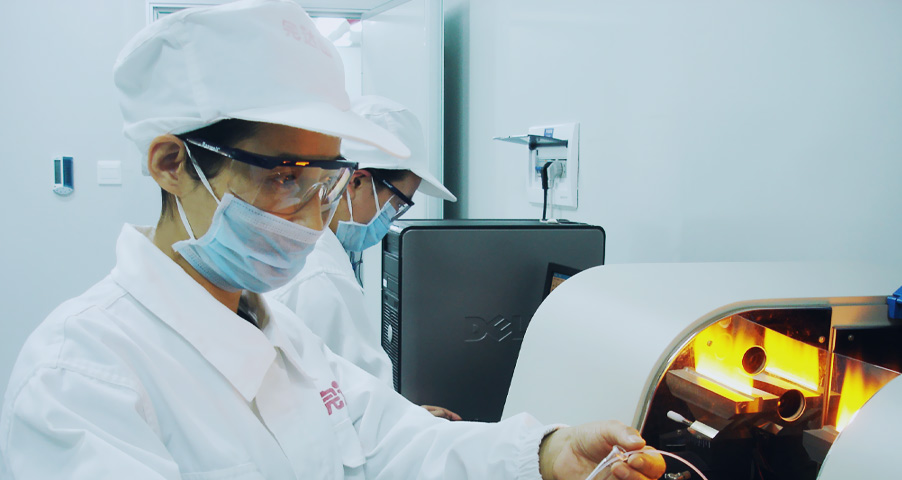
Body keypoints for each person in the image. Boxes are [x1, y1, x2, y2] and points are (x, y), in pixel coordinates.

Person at [0, 1, 666, 479]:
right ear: (172, 164)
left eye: (324, 181)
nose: (312, 219)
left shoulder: (282, 334)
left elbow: (393, 442)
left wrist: (545, 454)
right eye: (284, 175)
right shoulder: (81, 377)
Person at [267, 95, 462, 420]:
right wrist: (409, 425)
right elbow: (359, 417)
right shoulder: (320, 275)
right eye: (397, 203)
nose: (393, 217)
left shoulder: (299, 245)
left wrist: (404, 417)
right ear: (356, 182)